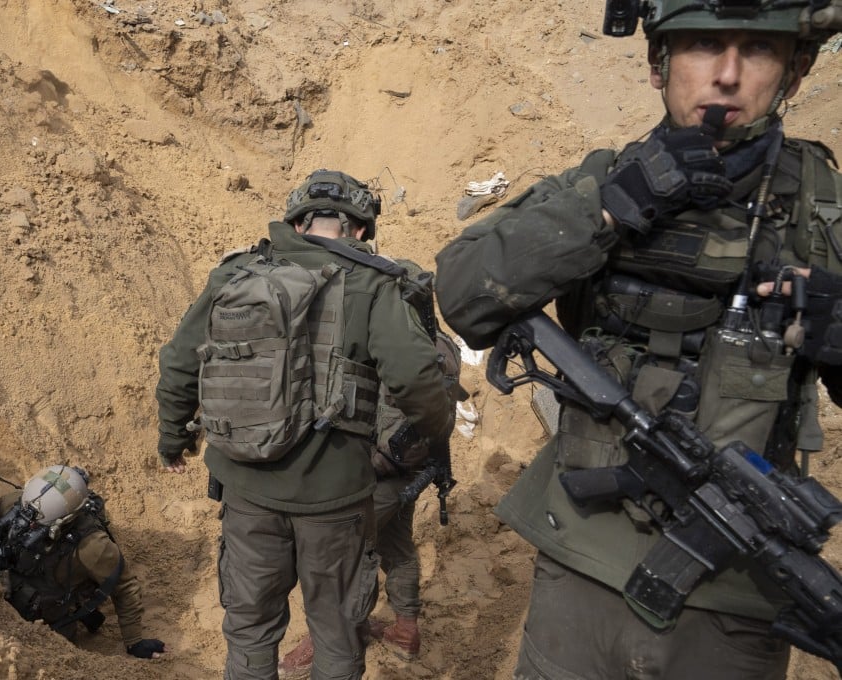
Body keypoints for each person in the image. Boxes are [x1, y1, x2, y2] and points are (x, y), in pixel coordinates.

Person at [434, 1, 842, 678]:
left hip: (733, 594)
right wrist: (611, 204)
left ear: (796, 72)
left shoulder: (821, 209)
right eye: (705, 45)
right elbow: (465, 293)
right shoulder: (606, 175)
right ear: (658, 63)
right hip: (580, 565)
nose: (728, 76)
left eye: (759, 51)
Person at [155, 169, 454, 680]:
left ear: (296, 220)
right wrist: (435, 433)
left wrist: (172, 438)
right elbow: (418, 380)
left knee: (250, 631)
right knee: (337, 633)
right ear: (360, 229)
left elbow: (181, 360)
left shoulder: (236, 273)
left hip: (246, 489)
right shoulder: (375, 283)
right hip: (335, 501)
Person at [277, 266, 467, 679]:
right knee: (398, 546)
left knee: (346, 559)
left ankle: (334, 635)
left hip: (375, 473)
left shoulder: (400, 346)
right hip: (414, 471)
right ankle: (406, 629)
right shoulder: (442, 345)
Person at [0, 465, 165, 660]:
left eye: (37, 525)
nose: (27, 523)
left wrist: (134, 642)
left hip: (46, 617)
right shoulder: (15, 502)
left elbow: (124, 587)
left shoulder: (93, 545)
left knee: (59, 653)